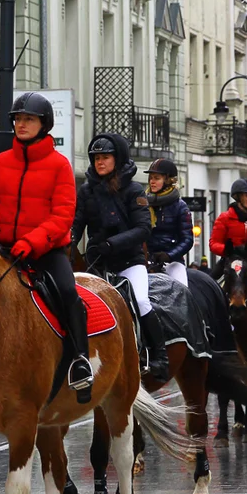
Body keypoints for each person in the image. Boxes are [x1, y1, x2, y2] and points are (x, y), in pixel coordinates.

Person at [0, 92, 94, 398]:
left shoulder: (59, 166)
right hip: (2, 250)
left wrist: (33, 241)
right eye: (18, 119)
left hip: (45, 251)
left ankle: (81, 360)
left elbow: (63, 214)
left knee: (68, 292)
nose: (22, 124)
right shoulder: (0, 163)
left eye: (29, 119)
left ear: (44, 124)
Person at [72, 132, 169, 381]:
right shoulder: (86, 191)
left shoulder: (133, 189)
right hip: (96, 264)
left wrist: (111, 244)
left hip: (129, 263)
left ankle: (159, 356)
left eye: (105, 157)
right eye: (96, 158)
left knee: (140, 300)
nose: (100, 162)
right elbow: (76, 225)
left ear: (118, 159)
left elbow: (143, 229)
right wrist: (66, 244)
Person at [144, 158, 193, 288]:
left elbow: (187, 239)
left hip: (172, 262)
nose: (152, 182)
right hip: (145, 259)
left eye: (156, 178)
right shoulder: (141, 203)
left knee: (183, 290)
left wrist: (169, 255)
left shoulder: (181, 207)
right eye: (151, 178)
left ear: (168, 180)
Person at [209, 178, 247, 276]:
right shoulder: (224, 218)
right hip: (227, 263)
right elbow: (214, 244)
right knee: (209, 286)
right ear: (238, 197)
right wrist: (229, 250)